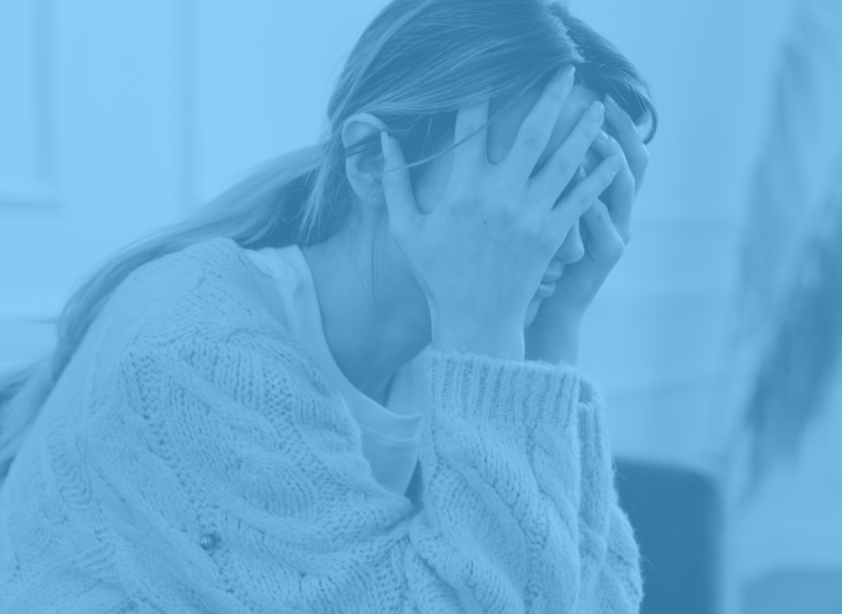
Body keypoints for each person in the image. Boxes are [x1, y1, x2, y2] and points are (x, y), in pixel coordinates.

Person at [0, 0, 658, 611]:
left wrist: (551, 331)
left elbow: (589, 600)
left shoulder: (454, 343)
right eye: (527, 181)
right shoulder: (194, 351)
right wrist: (499, 345)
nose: (563, 240)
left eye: (583, 191)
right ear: (373, 161)